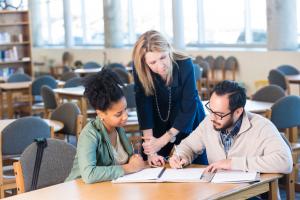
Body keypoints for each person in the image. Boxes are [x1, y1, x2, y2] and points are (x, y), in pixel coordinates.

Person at [169, 80, 292, 175]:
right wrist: (181, 156)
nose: (212, 117)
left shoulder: (262, 127)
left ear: (238, 112)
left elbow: (284, 162)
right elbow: (188, 145)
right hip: (218, 191)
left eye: (219, 114)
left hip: (251, 193)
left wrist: (232, 164)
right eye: (211, 110)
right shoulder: (209, 122)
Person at [132, 30, 206, 166]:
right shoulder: (140, 69)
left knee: (194, 165)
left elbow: (189, 105)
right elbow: (144, 107)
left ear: (169, 49)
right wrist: (151, 150)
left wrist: (164, 140)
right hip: (158, 118)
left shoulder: (185, 64)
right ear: (145, 63)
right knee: (155, 166)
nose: (160, 66)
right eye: (153, 62)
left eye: (163, 57)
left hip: (188, 118)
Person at [65, 69, 146, 183]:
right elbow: (89, 175)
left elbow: (124, 160)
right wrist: (129, 167)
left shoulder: (118, 129)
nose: (125, 116)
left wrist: (133, 158)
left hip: (108, 190)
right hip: (79, 191)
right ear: (100, 113)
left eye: (125, 109)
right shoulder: (90, 134)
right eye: (118, 114)